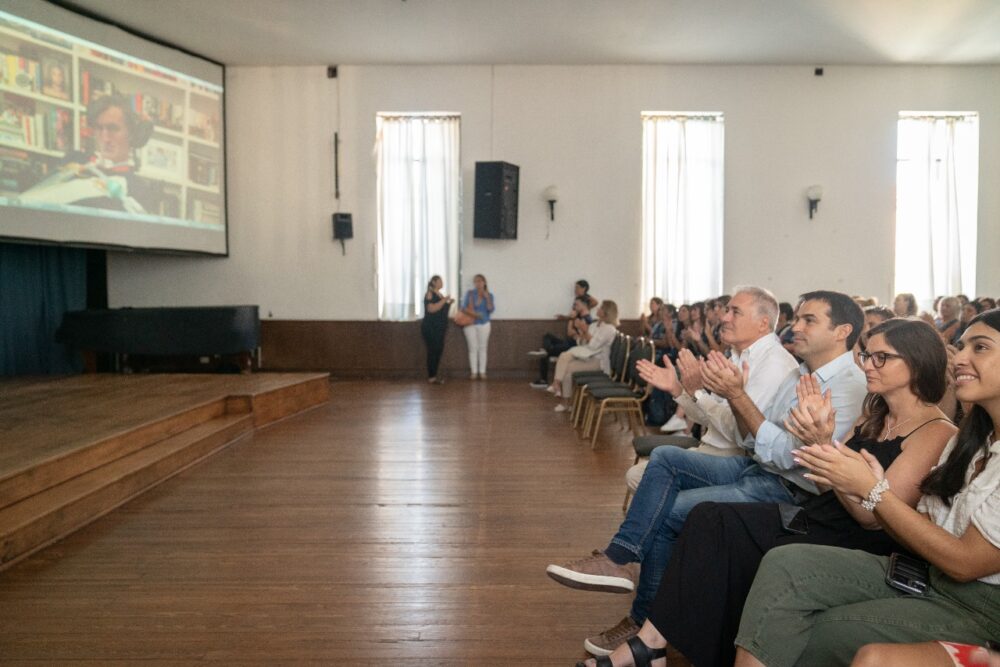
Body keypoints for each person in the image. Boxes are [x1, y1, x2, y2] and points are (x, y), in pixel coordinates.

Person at [578, 318, 956, 667]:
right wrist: (818, 443)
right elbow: (825, 481)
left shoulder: (935, 431)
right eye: (866, 355)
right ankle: (651, 642)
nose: (868, 365)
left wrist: (824, 446)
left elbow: (871, 518)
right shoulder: (874, 414)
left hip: (857, 539)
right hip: (821, 513)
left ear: (916, 362)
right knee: (708, 516)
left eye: (881, 357)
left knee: (726, 531)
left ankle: (649, 647)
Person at [547, 291, 867, 656]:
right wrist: (709, 393)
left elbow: (788, 455)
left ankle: (643, 625)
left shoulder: (846, 384)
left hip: (789, 490)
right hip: (757, 465)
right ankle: (619, 558)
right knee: (665, 457)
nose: (796, 326)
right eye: (798, 318)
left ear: (842, 331)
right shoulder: (799, 371)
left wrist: (732, 396)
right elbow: (751, 437)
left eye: (809, 320)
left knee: (669, 511)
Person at [732, 308, 1000, 667]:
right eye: (962, 346)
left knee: (814, 630)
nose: (961, 358)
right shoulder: (972, 439)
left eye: (979, 347)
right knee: (784, 563)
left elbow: (965, 564)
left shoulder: (939, 430)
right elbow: (919, 522)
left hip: (978, 606)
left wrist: (873, 492)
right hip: (928, 572)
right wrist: (856, 478)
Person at [626, 287, 799, 489]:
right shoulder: (739, 356)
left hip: (736, 463)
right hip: (712, 451)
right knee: (641, 475)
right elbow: (707, 418)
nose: (725, 318)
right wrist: (678, 390)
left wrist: (699, 394)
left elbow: (740, 435)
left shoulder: (773, 364)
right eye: (727, 310)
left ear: (762, 323)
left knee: (642, 477)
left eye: (735, 312)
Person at [23, 94, 157, 214]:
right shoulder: (75, 159)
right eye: (99, 128)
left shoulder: (138, 188)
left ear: (131, 133)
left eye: (113, 128)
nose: (105, 138)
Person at [550, 300, 619, 412]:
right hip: (587, 356)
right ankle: (559, 389)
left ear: (606, 312)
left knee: (567, 369)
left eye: (601, 308)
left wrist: (585, 331)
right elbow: (583, 343)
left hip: (598, 361)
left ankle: (563, 398)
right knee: (564, 358)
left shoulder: (609, 329)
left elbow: (594, 346)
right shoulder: (594, 325)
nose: (598, 309)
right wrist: (581, 333)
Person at [529, 280, 598, 388]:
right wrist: (568, 319)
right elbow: (570, 330)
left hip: (574, 345)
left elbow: (582, 336)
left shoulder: (586, 318)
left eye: (577, 288)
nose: (575, 290)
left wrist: (575, 332)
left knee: (546, 353)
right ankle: (546, 350)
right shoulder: (577, 315)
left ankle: (543, 378)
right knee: (547, 336)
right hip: (569, 341)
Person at [421, 275, 454, 384]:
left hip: (440, 328)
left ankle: (434, 375)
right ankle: (431, 377)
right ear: (434, 282)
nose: (442, 282)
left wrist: (448, 303)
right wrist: (444, 300)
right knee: (432, 351)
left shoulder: (440, 295)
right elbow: (431, 308)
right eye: (439, 281)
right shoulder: (430, 294)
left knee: (438, 351)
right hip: (431, 327)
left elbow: (442, 310)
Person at [461, 274, 494, 379]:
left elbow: (490, 309)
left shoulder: (489, 295)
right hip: (470, 324)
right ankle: (474, 372)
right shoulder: (470, 293)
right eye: (476, 281)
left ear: (484, 282)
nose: (478, 283)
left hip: (484, 324)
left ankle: (482, 371)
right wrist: (475, 315)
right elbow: (463, 308)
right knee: (472, 348)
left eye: (480, 281)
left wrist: (487, 298)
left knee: (483, 348)